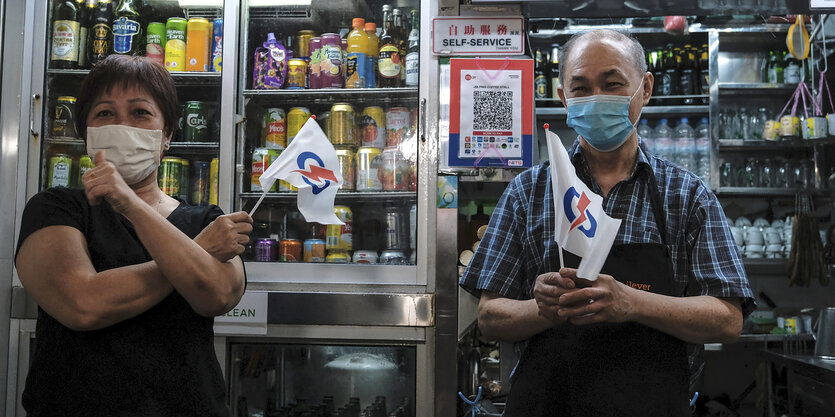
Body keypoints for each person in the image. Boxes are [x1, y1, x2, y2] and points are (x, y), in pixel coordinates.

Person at [459, 30, 755, 416]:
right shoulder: (527, 193)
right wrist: (545, 309)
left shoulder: (687, 197)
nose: (596, 98)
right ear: (564, 98)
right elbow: (489, 317)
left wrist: (631, 302)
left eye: (612, 84)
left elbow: (728, 320)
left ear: (644, 89)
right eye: (581, 89)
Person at [15, 55, 252, 416]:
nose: (122, 125)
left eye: (140, 113)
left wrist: (129, 203)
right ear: (87, 134)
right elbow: (84, 304)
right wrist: (196, 251)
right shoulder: (55, 208)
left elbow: (217, 294)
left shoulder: (205, 219)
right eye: (105, 114)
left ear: (167, 135)